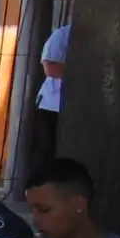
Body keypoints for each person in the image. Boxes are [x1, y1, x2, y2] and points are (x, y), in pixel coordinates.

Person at [33, 23, 68, 166]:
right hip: (52, 105)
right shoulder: (63, 34)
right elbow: (49, 67)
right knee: (47, 152)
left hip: (79, 107)